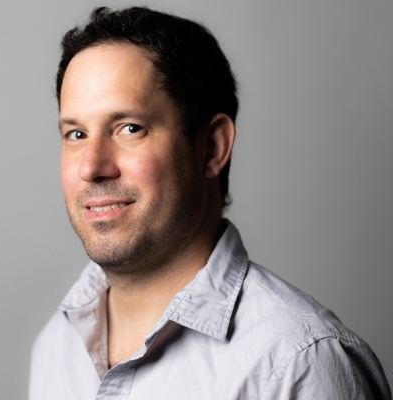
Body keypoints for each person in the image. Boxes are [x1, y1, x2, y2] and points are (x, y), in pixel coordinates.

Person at [29, 6, 391, 400]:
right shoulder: (56, 347)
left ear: (211, 148)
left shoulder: (299, 364)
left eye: (130, 128)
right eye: (76, 134)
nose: (91, 167)